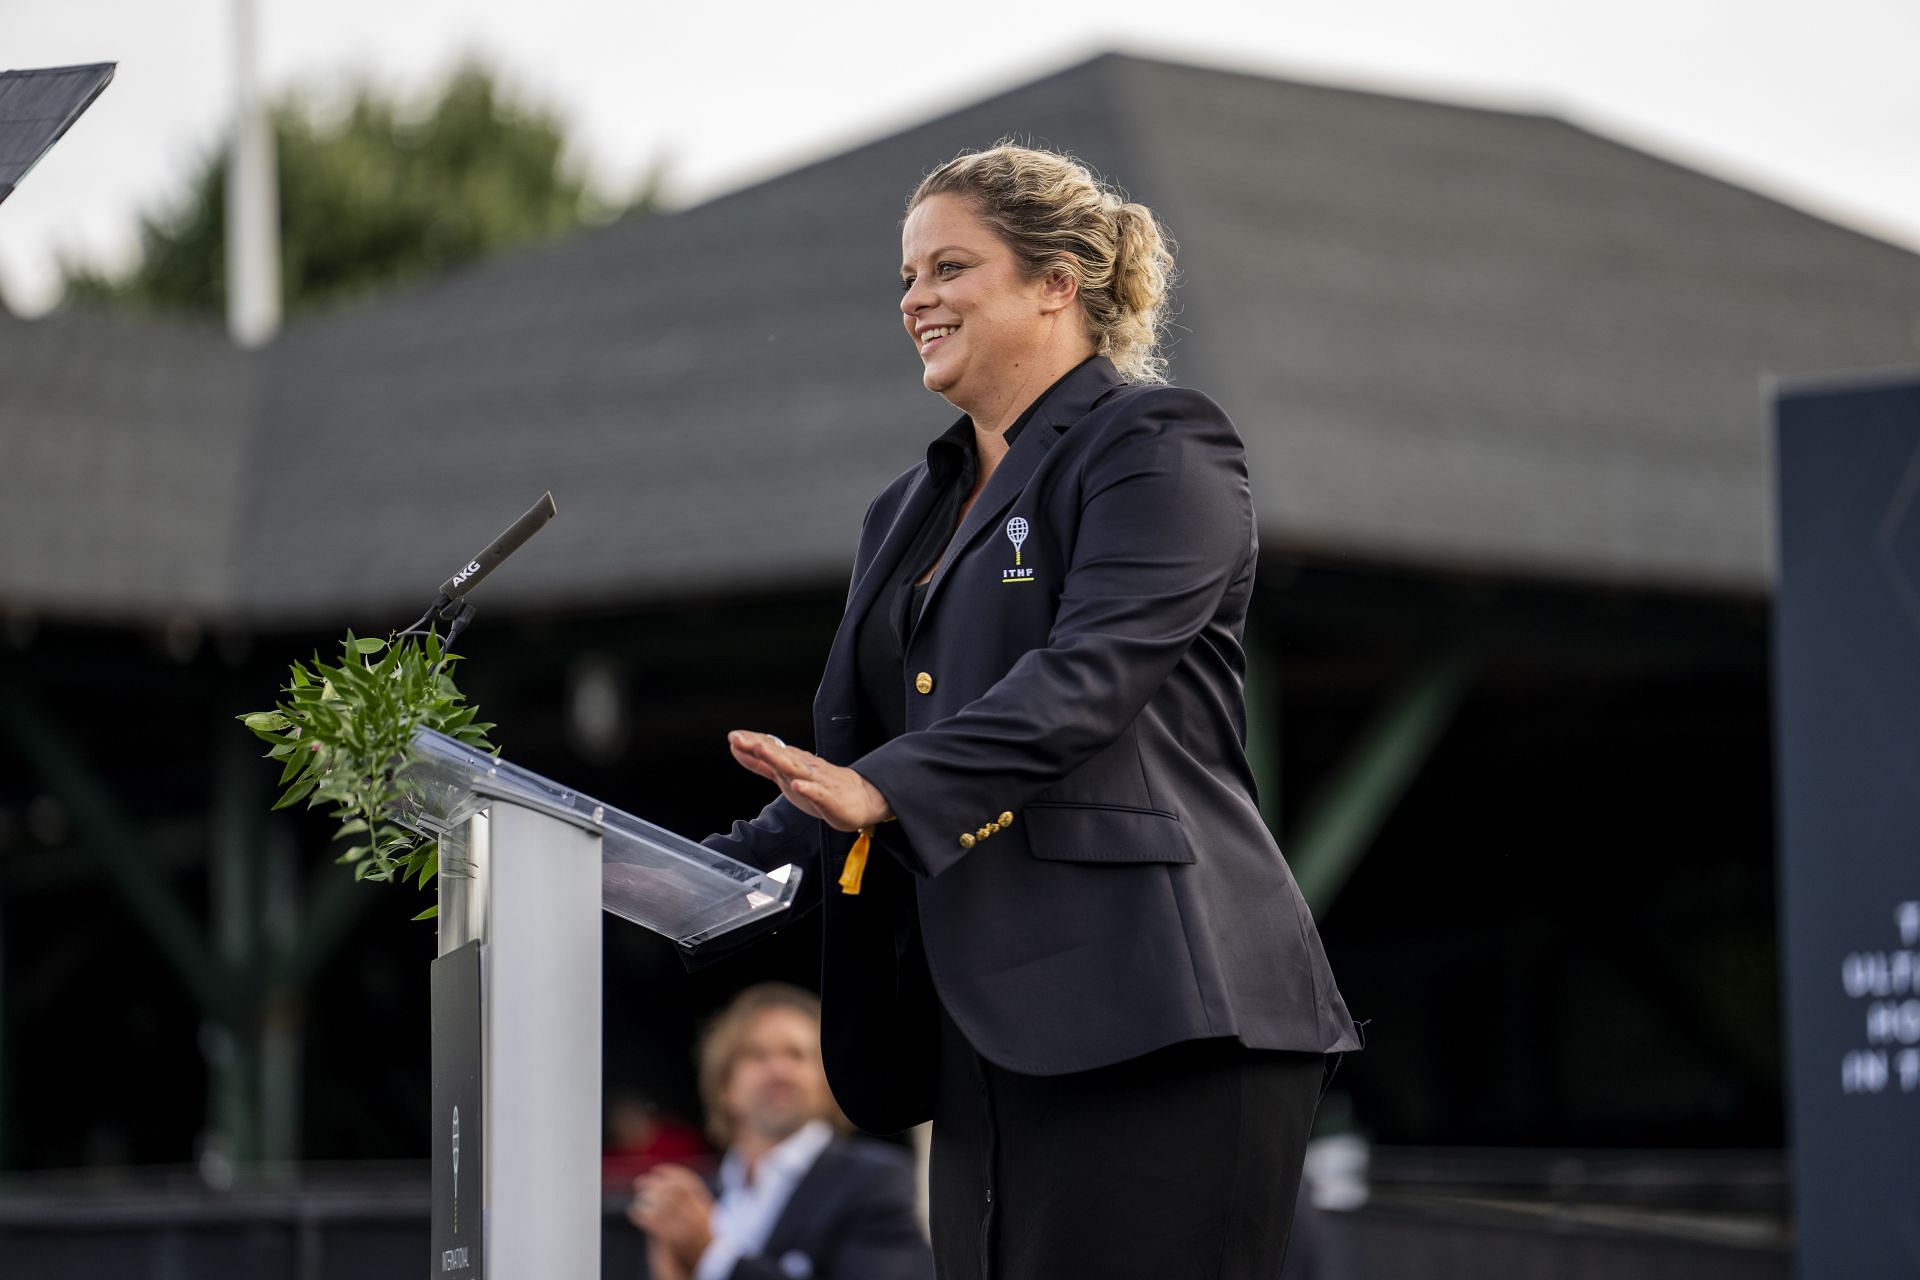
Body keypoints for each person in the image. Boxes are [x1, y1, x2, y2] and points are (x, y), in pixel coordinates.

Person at [701, 143, 1362, 1279]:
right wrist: (669, 876)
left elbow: (1086, 675)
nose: (917, 299)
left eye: (950, 266)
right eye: (907, 277)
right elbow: (850, 759)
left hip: (1163, 1011)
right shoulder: (905, 509)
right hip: (983, 1033)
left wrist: (888, 791)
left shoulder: (1159, 444)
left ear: (1057, 282)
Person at [629, 983, 933, 1280]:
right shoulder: (701, 1195)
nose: (778, 1071)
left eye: (797, 1055)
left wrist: (711, 1254)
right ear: (724, 1085)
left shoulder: (877, 1181)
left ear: (828, 1083)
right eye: (757, 1055)